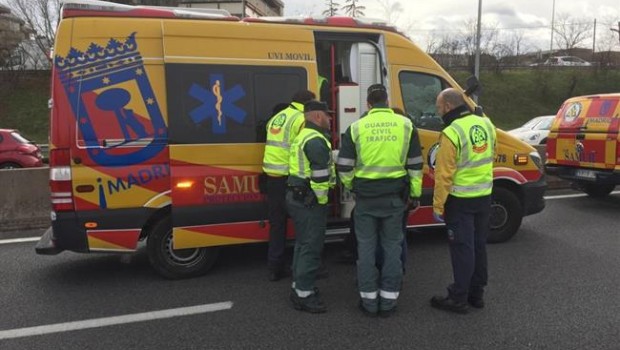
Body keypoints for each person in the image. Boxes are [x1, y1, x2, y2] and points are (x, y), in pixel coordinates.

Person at [337, 84, 423, 317]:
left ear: (368, 103)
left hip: (366, 198)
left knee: (365, 247)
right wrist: (414, 194)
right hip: (395, 198)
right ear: (387, 100)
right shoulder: (406, 125)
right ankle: (388, 301)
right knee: (392, 247)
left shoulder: (356, 128)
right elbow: (415, 165)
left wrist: (352, 186)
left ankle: (368, 300)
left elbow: (343, 167)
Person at [430, 88, 496, 314]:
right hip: (484, 197)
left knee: (462, 249)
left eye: (439, 107)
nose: (438, 112)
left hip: (460, 200)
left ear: (448, 106)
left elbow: (444, 174)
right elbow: (490, 154)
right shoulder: (486, 124)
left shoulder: (452, 132)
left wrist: (438, 205)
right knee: (479, 247)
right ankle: (476, 295)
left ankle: (458, 298)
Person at [287, 100, 336, 313]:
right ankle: (304, 294)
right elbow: (319, 177)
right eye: (327, 115)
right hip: (310, 200)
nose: (330, 118)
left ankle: (299, 287)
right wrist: (323, 200)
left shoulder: (304, 135)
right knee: (311, 246)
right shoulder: (316, 140)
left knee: (302, 243)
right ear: (317, 116)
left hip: (298, 197)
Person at [262, 90, 316, 281]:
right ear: (307, 103)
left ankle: (275, 267)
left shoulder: (278, 117)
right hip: (290, 178)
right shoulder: (301, 119)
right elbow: (304, 148)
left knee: (277, 225)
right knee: (304, 223)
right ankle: (305, 268)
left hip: (272, 177)